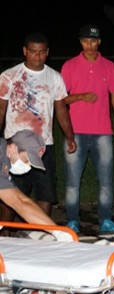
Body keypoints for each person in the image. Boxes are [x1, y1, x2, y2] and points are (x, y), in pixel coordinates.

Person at [0, 32, 77, 224]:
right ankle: (6, 230)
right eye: (33, 51)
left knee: (46, 192)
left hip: (43, 144)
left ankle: (40, 232)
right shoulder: (9, 76)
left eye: (42, 52)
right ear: (25, 51)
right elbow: (1, 109)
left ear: (47, 52)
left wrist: (69, 137)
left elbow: (61, 110)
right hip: (15, 144)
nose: (37, 56)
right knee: (11, 190)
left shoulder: (55, 77)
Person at [60, 25, 114, 235]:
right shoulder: (70, 66)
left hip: (103, 132)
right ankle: (72, 220)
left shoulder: (109, 67)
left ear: (99, 42)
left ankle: (105, 219)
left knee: (106, 180)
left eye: (93, 41)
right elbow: (61, 99)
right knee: (73, 181)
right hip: (75, 132)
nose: (89, 45)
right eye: (85, 41)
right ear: (80, 42)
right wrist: (80, 96)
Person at [0, 130, 71, 238]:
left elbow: (21, 200)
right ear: (13, 148)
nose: (28, 167)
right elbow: (20, 202)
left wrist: (57, 231)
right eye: (27, 160)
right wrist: (58, 232)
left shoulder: (4, 158)